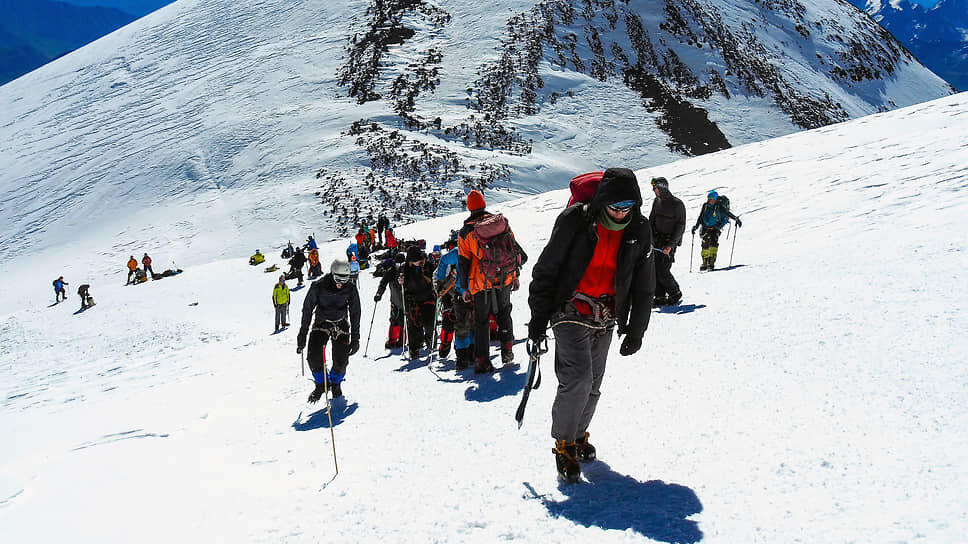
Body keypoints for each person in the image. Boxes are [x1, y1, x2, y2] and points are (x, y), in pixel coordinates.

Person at [528, 167, 656, 483]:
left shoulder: (639, 228)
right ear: (603, 202)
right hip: (569, 306)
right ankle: (564, 444)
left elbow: (644, 282)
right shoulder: (576, 221)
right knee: (578, 378)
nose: (622, 212)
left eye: (629, 207)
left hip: (606, 314)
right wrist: (537, 321)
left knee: (594, 382)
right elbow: (546, 270)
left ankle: (579, 433)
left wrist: (637, 328)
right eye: (616, 206)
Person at [458, 190, 526, 373]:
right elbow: (513, 250)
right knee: (504, 312)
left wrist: (464, 288)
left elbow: (463, 263)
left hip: (481, 282)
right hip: (504, 277)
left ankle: (483, 361)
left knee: (481, 321)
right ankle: (507, 350)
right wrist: (516, 275)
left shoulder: (465, 232)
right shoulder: (500, 223)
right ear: (484, 204)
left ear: (469, 207)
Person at [296, 259, 361, 402]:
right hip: (321, 323)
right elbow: (307, 310)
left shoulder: (350, 288)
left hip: (341, 324)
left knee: (341, 360)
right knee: (313, 357)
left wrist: (356, 338)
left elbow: (355, 312)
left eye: (345, 279)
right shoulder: (318, 286)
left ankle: (336, 382)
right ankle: (321, 384)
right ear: (332, 273)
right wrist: (302, 334)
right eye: (338, 279)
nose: (340, 283)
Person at [435, 239, 474, 368]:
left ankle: (466, 355)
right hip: (465, 294)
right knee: (465, 325)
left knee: (468, 325)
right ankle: (464, 355)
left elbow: (443, 262)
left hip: (464, 293)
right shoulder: (459, 252)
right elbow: (443, 263)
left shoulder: (458, 253)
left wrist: (441, 283)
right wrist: (441, 282)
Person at [648, 176, 686, 306]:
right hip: (656, 240)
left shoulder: (677, 204)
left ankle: (675, 292)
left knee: (663, 270)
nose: (654, 190)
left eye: (656, 188)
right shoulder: (656, 201)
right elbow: (651, 219)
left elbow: (681, 225)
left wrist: (670, 245)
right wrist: (649, 237)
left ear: (662, 188)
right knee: (654, 269)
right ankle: (659, 297)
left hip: (669, 241)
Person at [400, 245, 437, 359]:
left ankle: (431, 339)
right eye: (414, 261)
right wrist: (400, 281)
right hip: (413, 299)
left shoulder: (429, 266)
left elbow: (436, 276)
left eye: (419, 260)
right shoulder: (405, 269)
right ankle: (414, 348)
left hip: (428, 298)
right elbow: (401, 282)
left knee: (429, 322)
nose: (417, 262)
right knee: (413, 325)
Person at [691, 190, 742, 271]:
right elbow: (700, 217)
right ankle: (705, 262)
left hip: (715, 228)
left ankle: (711, 263)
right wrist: (696, 226)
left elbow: (727, 213)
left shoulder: (719, 206)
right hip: (705, 227)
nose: (709, 200)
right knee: (705, 245)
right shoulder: (705, 206)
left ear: (714, 199)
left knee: (713, 244)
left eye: (711, 199)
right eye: (708, 198)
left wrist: (736, 219)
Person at [374, 253, 406, 349]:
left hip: (407, 301)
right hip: (395, 300)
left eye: (402, 264)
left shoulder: (408, 270)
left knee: (403, 321)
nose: (399, 267)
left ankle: (402, 340)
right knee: (394, 320)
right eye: (397, 264)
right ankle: (392, 340)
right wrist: (379, 294)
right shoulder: (391, 272)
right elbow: (383, 283)